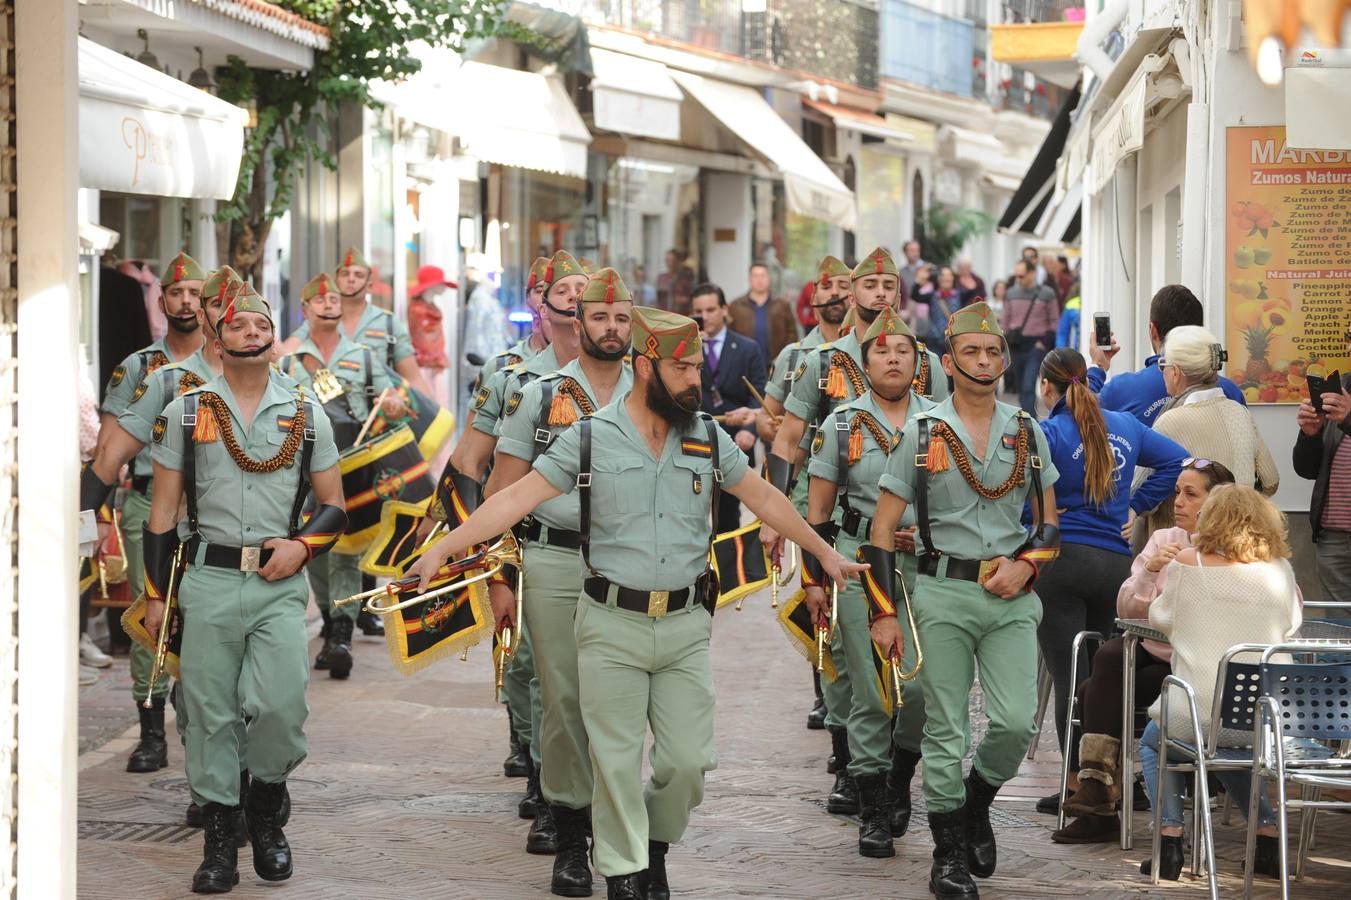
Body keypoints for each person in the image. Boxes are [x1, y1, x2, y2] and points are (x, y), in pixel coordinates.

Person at [409, 306, 864, 900]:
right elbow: (516, 496)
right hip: (609, 623)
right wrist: (446, 547)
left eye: (698, 366)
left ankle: (652, 845)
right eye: (684, 368)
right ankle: (624, 873)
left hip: (683, 626)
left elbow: (765, 498)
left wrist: (823, 554)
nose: (696, 379)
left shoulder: (705, 436)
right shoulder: (591, 437)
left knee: (685, 765)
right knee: (616, 763)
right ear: (646, 366)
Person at [145, 284, 345, 893]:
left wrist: (303, 545)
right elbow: (161, 514)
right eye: (238, 326)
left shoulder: (307, 410)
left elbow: (335, 506)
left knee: (281, 705)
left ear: (276, 338)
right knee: (208, 714)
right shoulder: (187, 410)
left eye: (262, 325)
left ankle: (267, 810)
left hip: (278, 582)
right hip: (206, 578)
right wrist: (157, 595)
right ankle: (220, 838)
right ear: (218, 339)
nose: (252, 333)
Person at [866, 300, 1061, 898]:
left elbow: (1051, 523)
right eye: (971, 352)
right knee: (946, 729)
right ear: (949, 363)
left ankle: (977, 801)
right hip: (941, 591)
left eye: (993, 351)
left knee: (1013, 723)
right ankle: (946, 855)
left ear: (1005, 359)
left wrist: (1027, 565)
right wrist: (883, 613)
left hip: (1010, 599)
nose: (983, 360)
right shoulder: (921, 434)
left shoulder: (1027, 430)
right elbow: (880, 531)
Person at [487, 268, 635, 895]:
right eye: (595, 315)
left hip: (630, 562)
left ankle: (625, 837)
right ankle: (571, 834)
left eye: (619, 316)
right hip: (551, 561)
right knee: (565, 699)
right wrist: (499, 573)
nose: (607, 325)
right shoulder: (538, 393)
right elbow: (502, 488)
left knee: (624, 704)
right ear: (576, 321)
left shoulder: (650, 391)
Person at [1028, 348, 1188, 817]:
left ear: (1045, 387)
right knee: (1105, 680)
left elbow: (1027, 499)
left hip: (1059, 565)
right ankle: (1114, 780)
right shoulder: (1126, 426)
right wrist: (1136, 506)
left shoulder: (1048, 432)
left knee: (1069, 677)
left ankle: (1078, 786)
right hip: (1114, 566)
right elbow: (1182, 462)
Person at [1051, 458, 1237, 844]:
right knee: (1111, 656)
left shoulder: (1239, 550)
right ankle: (1099, 795)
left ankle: (1099, 803)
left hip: (1205, 674)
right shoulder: (1165, 539)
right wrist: (1150, 571)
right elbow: (1125, 612)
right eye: (1177, 492)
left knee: (1092, 688)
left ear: (1217, 502)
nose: (1179, 502)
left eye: (1191, 494)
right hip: (1159, 658)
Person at [803, 307, 930, 858]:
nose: (894, 357)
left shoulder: (939, 423)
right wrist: (812, 580)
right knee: (872, 692)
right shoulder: (842, 426)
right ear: (864, 361)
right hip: (857, 564)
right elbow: (818, 515)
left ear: (918, 362)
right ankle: (874, 808)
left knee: (924, 689)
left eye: (903, 350)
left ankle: (900, 776)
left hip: (924, 569)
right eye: (882, 350)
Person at [80, 251, 207, 774]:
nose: (185, 300)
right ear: (161, 300)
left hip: (210, 508)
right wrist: (89, 507)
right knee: (149, 612)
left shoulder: (226, 364)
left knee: (203, 615)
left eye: (194, 293)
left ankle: (198, 719)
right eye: (176, 293)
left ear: (208, 302)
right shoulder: (138, 367)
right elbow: (110, 444)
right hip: (146, 503)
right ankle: (151, 728)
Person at [1136, 485, 1300, 882]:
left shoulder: (1190, 564)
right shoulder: (1281, 569)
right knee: (1229, 743)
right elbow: (1292, 625)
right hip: (1267, 717)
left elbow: (1160, 618)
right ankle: (1267, 839)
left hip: (1199, 710)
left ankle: (1171, 839)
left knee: (1158, 740)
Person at [286, 273, 407, 680]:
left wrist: (393, 403)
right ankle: (328, 617)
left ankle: (341, 633)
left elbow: (395, 399)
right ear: (305, 309)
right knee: (312, 547)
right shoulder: (287, 359)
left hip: (351, 463)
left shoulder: (364, 357)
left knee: (346, 545)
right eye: (319, 299)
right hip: (300, 467)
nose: (329, 303)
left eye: (334, 299)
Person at [755, 255, 856, 736]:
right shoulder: (797, 355)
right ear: (813, 298)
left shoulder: (883, 351)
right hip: (806, 486)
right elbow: (768, 416)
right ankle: (825, 688)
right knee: (816, 590)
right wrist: (769, 424)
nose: (835, 293)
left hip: (859, 488)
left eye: (844, 285)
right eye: (827, 286)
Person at [1151, 325, 1279, 519]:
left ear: (1175, 372)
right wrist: (1235, 510)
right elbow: (1271, 480)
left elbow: (1138, 491)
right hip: (1238, 538)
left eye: (1164, 366)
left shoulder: (1169, 422)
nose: (1163, 373)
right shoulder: (1240, 412)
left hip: (1183, 542)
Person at [281, 247, 433, 397]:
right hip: (329, 411)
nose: (351, 279)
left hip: (376, 414)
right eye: (345, 274)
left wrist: (437, 414)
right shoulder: (319, 322)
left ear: (370, 284)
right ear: (336, 281)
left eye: (359, 275)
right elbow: (286, 356)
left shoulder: (388, 324)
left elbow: (413, 377)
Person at [1087, 284, 1246, 427]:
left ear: (1153, 330)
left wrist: (1097, 367)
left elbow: (1077, 414)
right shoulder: (1230, 392)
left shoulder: (1120, 390)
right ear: (1199, 330)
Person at [690, 283, 766, 533]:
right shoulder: (685, 350)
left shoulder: (747, 348)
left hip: (734, 440)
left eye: (711, 309)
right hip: (693, 441)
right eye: (699, 311)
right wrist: (691, 351)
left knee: (728, 516)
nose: (705, 317)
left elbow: (760, 396)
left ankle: (727, 569)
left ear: (725, 309)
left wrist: (751, 430)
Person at [1293, 346, 1351, 604]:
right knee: (1338, 630)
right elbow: (1306, 469)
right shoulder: (1339, 387)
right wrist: (1310, 434)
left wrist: (1349, 419)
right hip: (1334, 537)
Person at [1001, 259, 1059, 416]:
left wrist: (1044, 342)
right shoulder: (1011, 293)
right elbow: (1005, 318)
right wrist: (1005, 339)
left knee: (1028, 385)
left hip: (1035, 345)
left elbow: (1054, 320)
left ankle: (1030, 423)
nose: (1018, 279)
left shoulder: (1046, 293)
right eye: (1016, 275)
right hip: (1015, 344)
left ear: (1032, 273)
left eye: (1022, 275)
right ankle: (1027, 419)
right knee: (1020, 387)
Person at [728, 261, 798, 364]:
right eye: (755, 276)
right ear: (749, 279)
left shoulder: (782, 305)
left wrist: (782, 357)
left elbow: (792, 333)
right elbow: (729, 335)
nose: (759, 279)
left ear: (769, 278)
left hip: (776, 364)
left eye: (763, 275)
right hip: (745, 364)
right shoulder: (736, 306)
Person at [923, 266, 961, 355]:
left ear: (953, 278)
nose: (946, 278)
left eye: (949, 275)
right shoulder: (932, 295)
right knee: (934, 367)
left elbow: (974, 290)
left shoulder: (960, 295)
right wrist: (920, 280)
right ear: (939, 279)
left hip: (952, 340)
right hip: (934, 340)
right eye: (943, 275)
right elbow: (915, 295)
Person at [1055, 281, 1081, 349]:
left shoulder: (1070, 305)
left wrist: (1060, 353)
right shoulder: (1094, 302)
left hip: (1074, 352)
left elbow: (1062, 333)